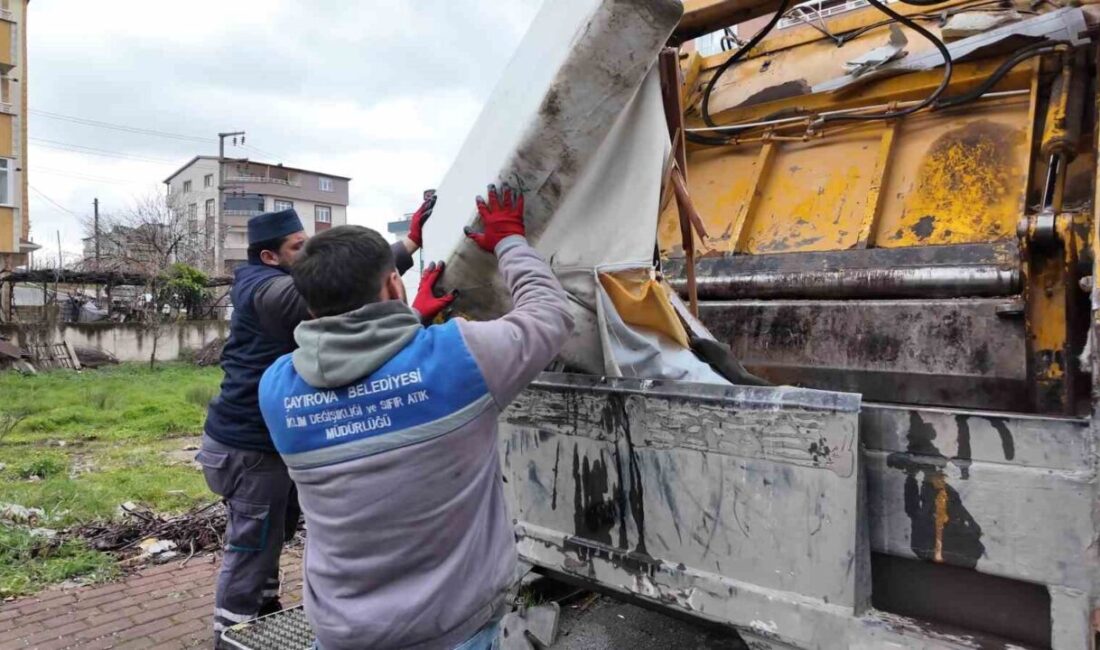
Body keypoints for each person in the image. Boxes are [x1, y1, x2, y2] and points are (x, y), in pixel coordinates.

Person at [257, 184, 574, 650]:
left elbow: (368, 383)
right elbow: (550, 314)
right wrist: (508, 239)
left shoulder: (277, 390)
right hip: (450, 629)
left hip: (342, 632)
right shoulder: (461, 358)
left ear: (310, 304)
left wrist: (410, 321)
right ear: (393, 285)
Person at [197, 196, 439, 644]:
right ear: (269, 257)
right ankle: (228, 637)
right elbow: (331, 291)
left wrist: (407, 244)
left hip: (267, 445)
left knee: (270, 539)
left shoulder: (273, 279)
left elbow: (346, 287)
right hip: (249, 450)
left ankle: (261, 615)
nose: (307, 256)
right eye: (297, 248)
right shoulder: (260, 286)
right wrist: (408, 309)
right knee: (251, 550)